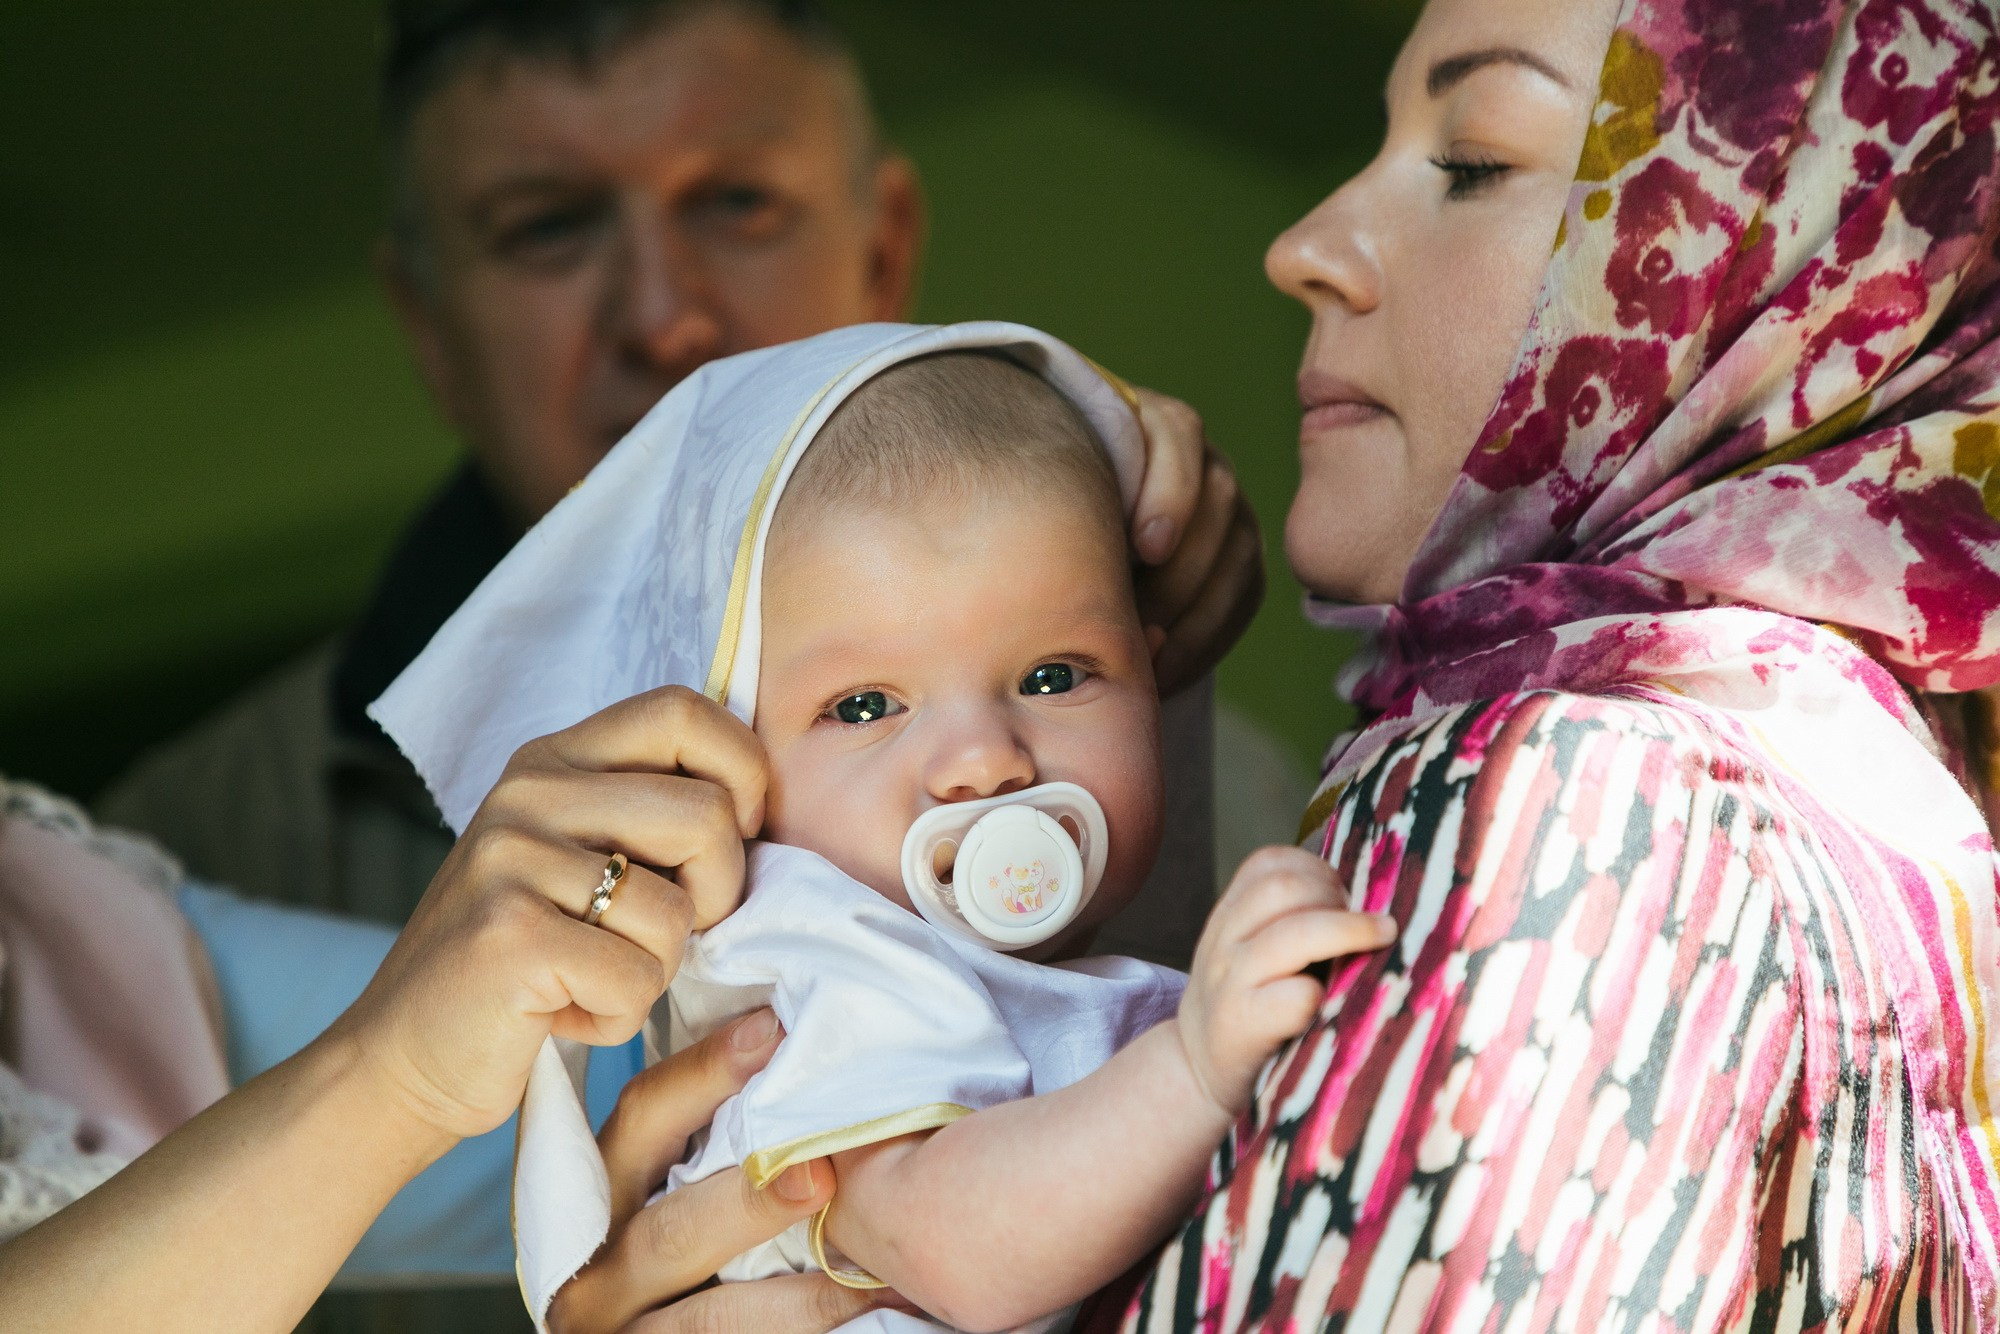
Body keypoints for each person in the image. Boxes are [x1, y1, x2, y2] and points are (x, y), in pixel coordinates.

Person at [96, 0, 1261, 952]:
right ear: (427, 325)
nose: (662, 317)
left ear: (885, 247)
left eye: (739, 203)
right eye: (548, 226)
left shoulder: (1192, 768)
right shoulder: (183, 849)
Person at [373, 325, 1399, 1332]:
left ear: (1152, 674)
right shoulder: (827, 974)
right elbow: (961, 1248)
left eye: (1053, 675)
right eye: (864, 705)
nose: (982, 757)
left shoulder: (1034, 973)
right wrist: (1192, 1068)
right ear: (720, 781)